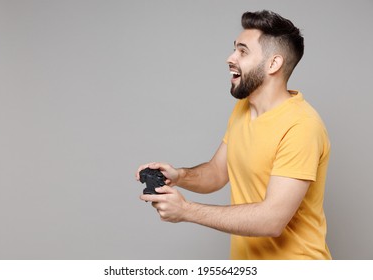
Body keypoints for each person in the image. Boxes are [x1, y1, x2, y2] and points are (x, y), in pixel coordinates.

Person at [136, 10, 331, 260]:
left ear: (273, 64)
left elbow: (272, 220)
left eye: (242, 51)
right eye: (234, 49)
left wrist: (186, 211)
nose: (230, 58)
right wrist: (178, 175)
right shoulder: (243, 108)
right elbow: (217, 173)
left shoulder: (301, 126)